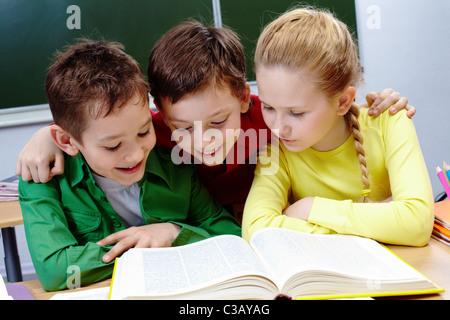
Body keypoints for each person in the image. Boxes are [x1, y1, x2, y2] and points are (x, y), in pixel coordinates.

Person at [16, 21, 413, 222]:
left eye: (219, 121)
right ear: (161, 113)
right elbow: (95, 123)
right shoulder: (149, 135)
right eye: (183, 128)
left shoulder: (271, 119)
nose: (203, 141)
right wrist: (44, 137)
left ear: (243, 97)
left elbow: (322, 109)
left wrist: (380, 102)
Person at [18, 39, 241, 291]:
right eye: (113, 146)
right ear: (67, 141)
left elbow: (231, 236)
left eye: (144, 132)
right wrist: (147, 249)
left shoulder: (174, 162)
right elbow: (55, 270)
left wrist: (173, 232)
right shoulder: (42, 178)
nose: (135, 156)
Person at [242, 8, 433, 246]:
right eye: (269, 108)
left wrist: (312, 208)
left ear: (342, 101)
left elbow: (417, 224)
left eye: (296, 113)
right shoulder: (276, 152)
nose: (278, 128)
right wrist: (385, 222)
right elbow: (256, 230)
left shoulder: (390, 120)